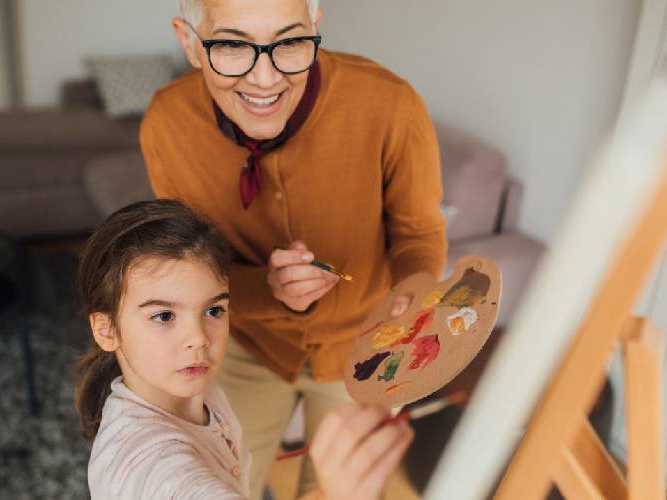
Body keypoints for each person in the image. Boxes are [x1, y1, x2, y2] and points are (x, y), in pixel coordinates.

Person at [140, 0, 446, 496]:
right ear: (190, 44)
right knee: (221, 484)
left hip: (367, 347)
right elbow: (188, 267)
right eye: (233, 45)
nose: (265, 79)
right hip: (244, 345)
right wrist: (266, 289)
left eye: (290, 42)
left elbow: (420, 235)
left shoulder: (392, 104)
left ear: (315, 29)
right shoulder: (165, 122)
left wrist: (413, 298)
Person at [74, 199, 414, 500]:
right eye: (163, 316)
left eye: (213, 310)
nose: (199, 338)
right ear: (106, 330)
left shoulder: (198, 392)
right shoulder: (152, 465)